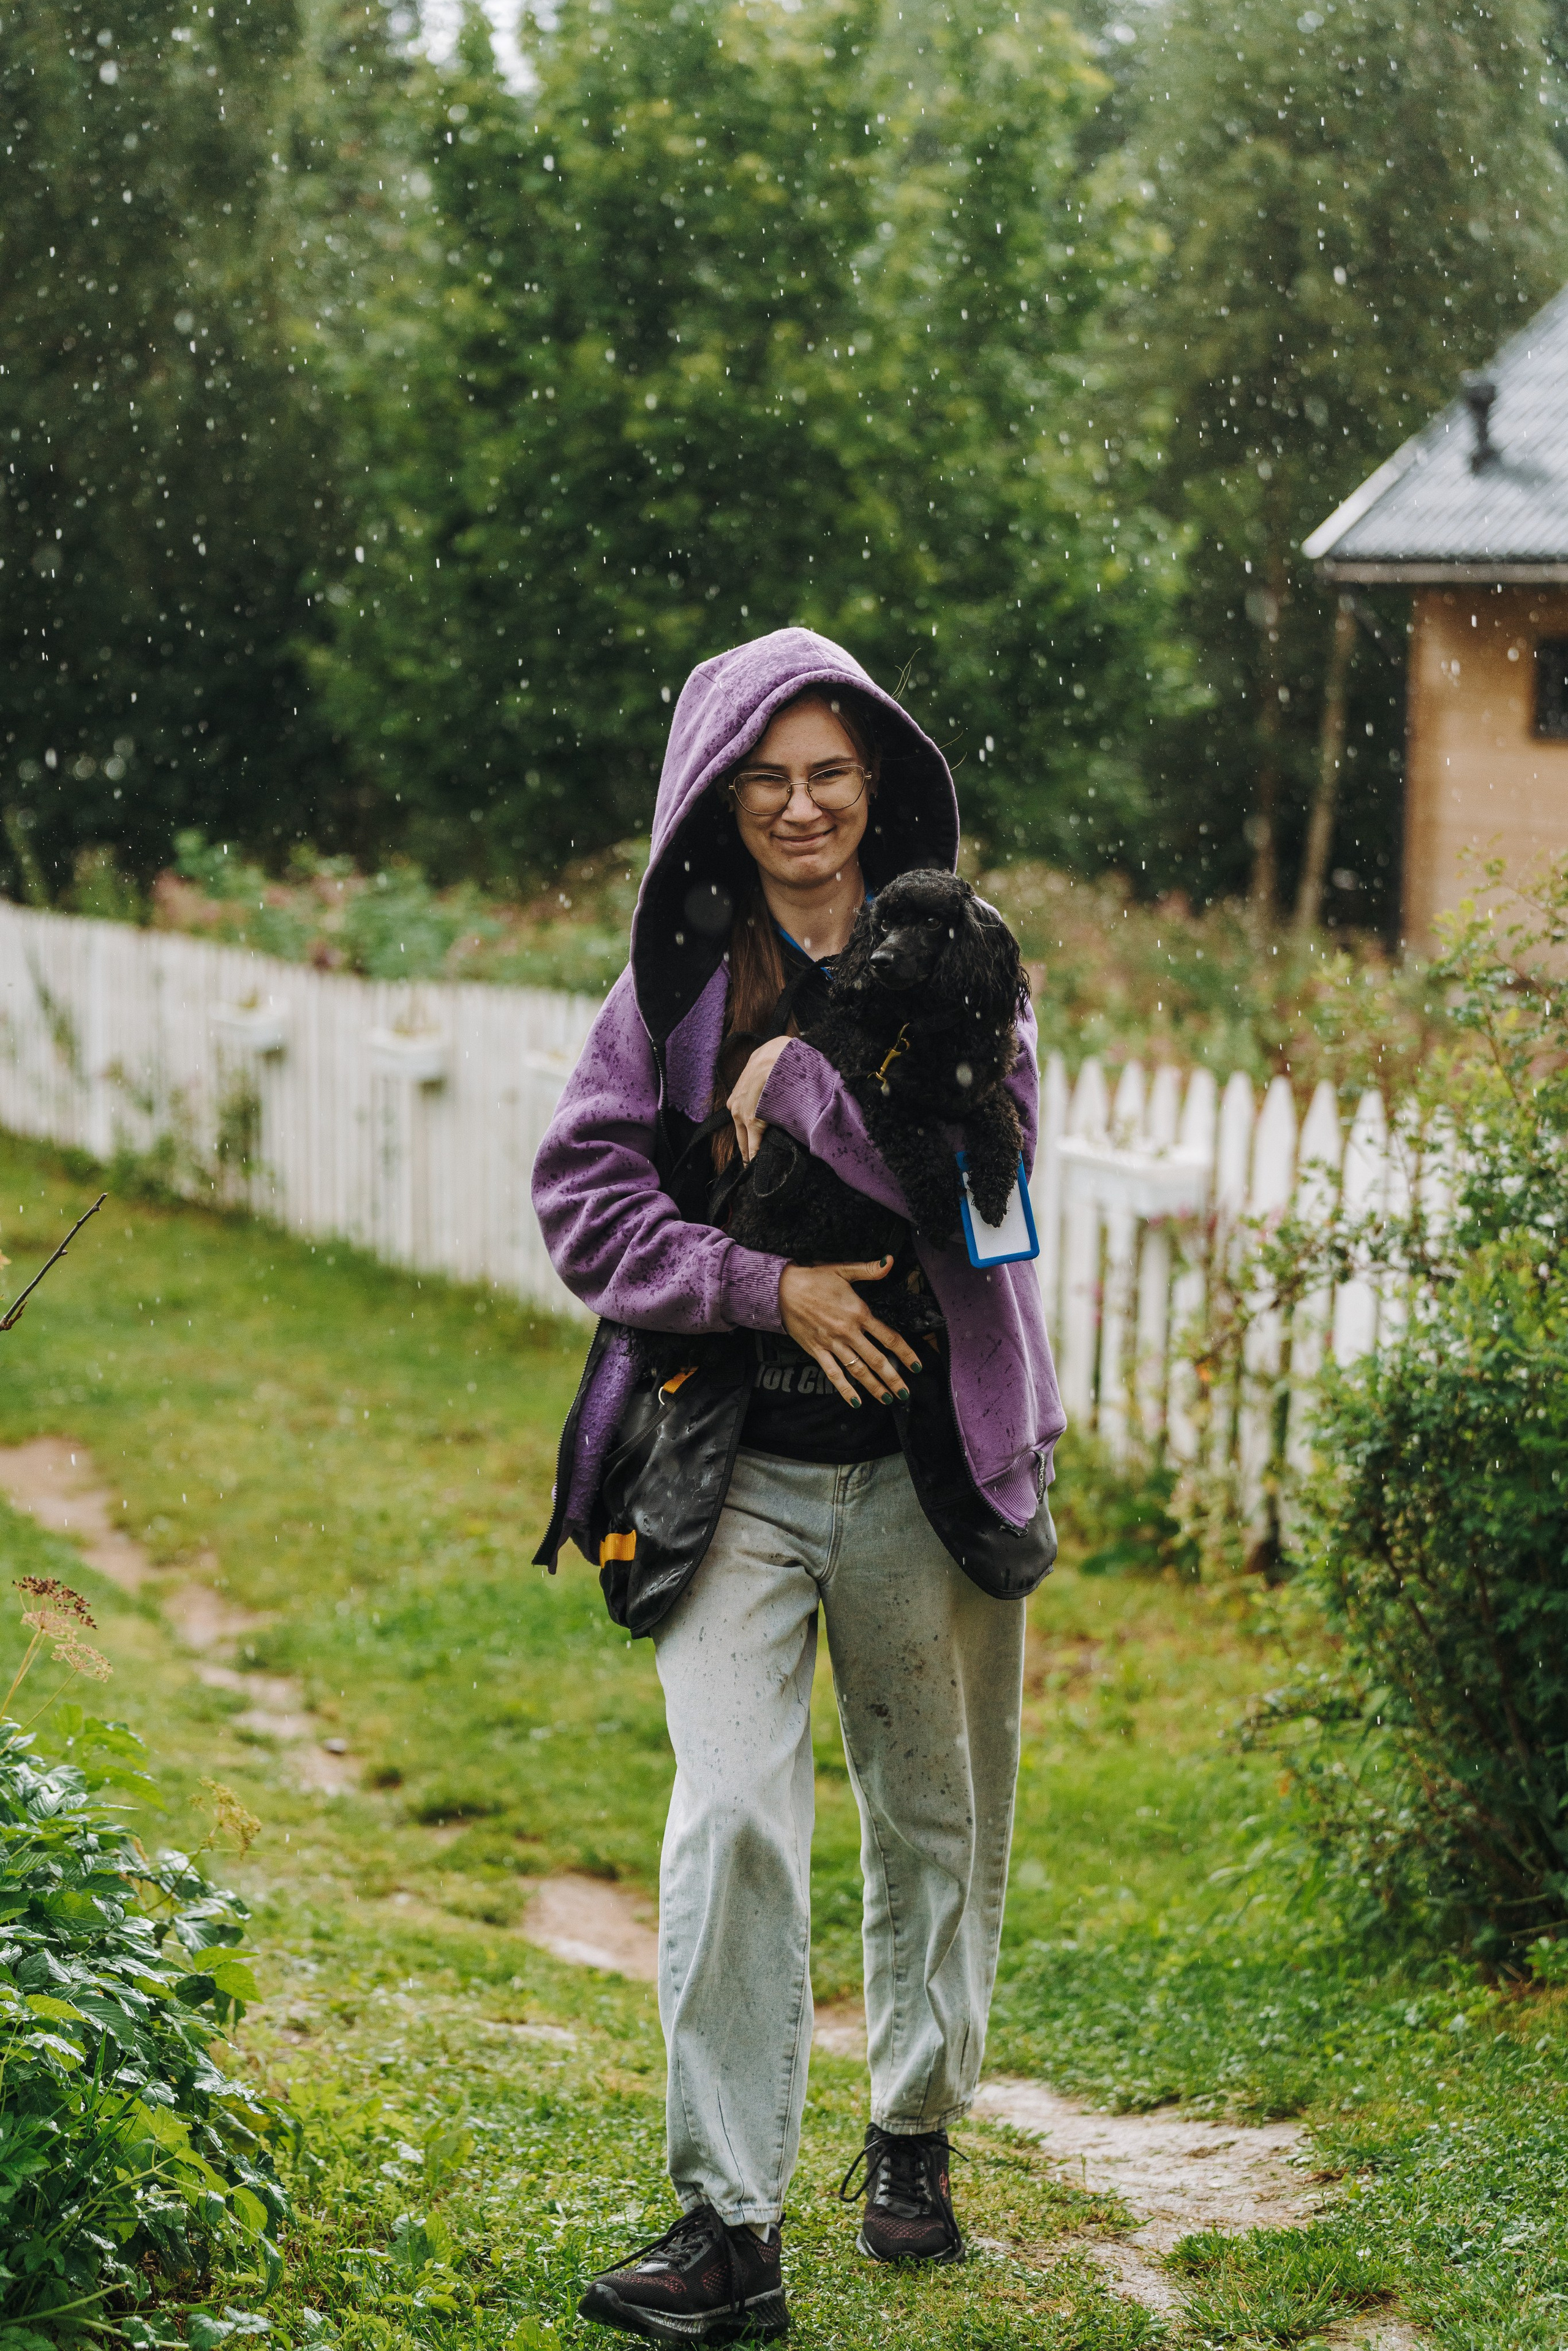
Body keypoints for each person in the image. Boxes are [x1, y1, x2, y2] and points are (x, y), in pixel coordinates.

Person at [532, 627, 1063, 2344]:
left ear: (878, 780)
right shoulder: (674, 994)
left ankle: (911, 2132)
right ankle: (728, 2227)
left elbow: (992, 1170)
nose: (802, 807)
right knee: (731, 1816)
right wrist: (774, 1288)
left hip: (925, 1463)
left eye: (830, 773)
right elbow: (584, 1207)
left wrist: (808, 1092)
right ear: (718, 796)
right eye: (765, 778)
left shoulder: (971, 964)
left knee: (934, 1818)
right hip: (732, 1467)